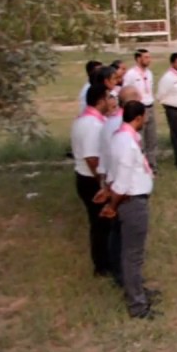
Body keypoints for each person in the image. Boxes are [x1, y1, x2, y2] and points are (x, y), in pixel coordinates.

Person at [100, 101, 158, 320]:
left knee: (130, 253)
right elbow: (123, 183)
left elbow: (114, 172)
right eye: (145, 117)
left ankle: (138, 291)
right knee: (133, 255)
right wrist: (112, 205)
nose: (146, 121)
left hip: (131, 198)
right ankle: (137, 305)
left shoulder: (121, 137)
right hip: (132, 202)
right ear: (138, 118)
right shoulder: (127, 143)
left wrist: (107, 191)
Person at [97, 86, 139, 287]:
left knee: (118, 231)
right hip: (123, 189)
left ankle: (120, 272)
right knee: (124, 236)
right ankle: (124, 277)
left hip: (115, 182)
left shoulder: (113, 123)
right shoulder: (120, 126)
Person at [72, 84, 113, 279]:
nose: (111, 101)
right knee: (101, 224)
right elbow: (91, 158)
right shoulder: (91, 125)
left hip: (86, 177)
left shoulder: (87, 120)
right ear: (101, 100)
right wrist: (103, 184)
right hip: (90, 180)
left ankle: (105, 261)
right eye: (108, 97)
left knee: (101, 223)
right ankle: (102, 265)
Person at [121, 49, 158, 172]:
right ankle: (140, 165)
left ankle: (152, 164)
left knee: (151, 137)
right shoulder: (131, 74)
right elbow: (126, 91)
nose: (149, 59)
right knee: (139, 138)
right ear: (138, 59)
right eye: (146, 57)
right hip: (138, 108)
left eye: (149, 57)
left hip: (150, 106)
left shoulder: (150, 73)